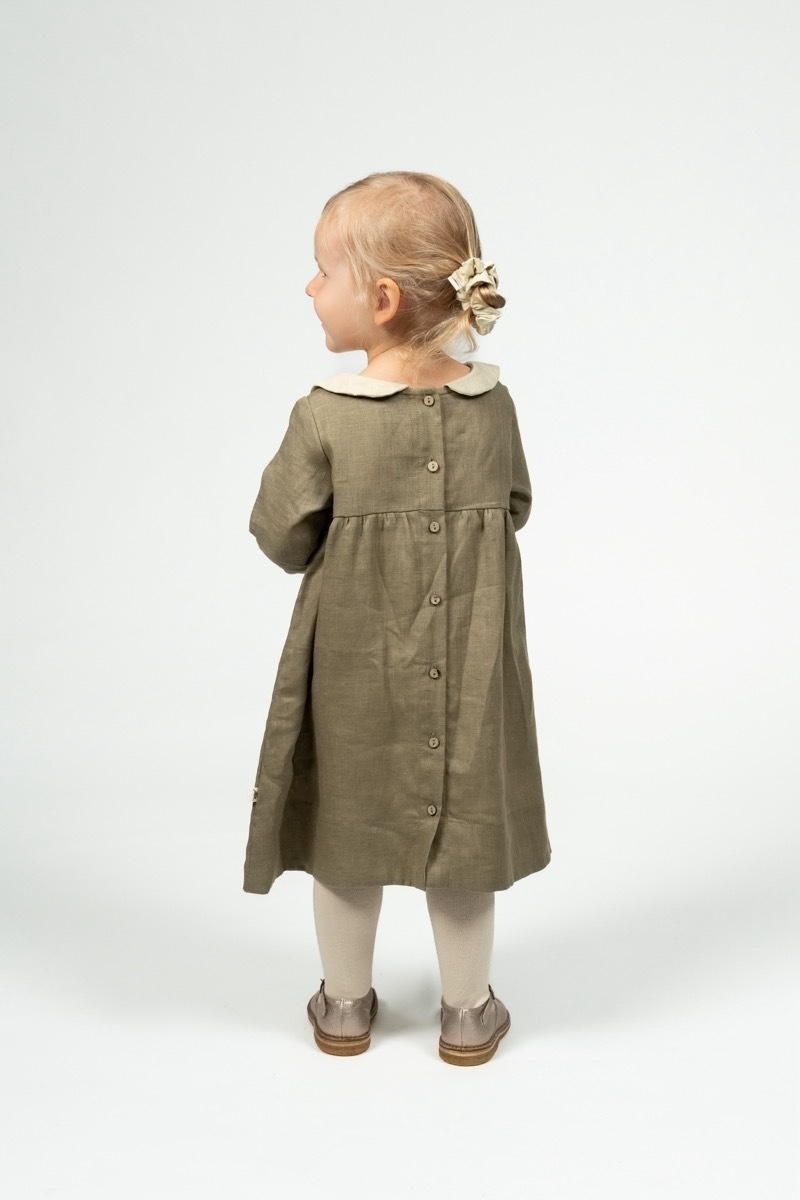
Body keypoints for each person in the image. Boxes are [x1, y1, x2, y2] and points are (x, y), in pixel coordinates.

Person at [243, 171, 551, 1065]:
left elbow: (278, 534)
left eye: (322, 271)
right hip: (474, 664)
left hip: (355, 665)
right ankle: (467, 1012)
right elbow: (518, 504)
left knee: (347, 829)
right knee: (465, 840)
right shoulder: (493, 408)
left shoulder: (325, 418)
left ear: (379, 301)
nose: (309, 286)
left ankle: (344, 1006)